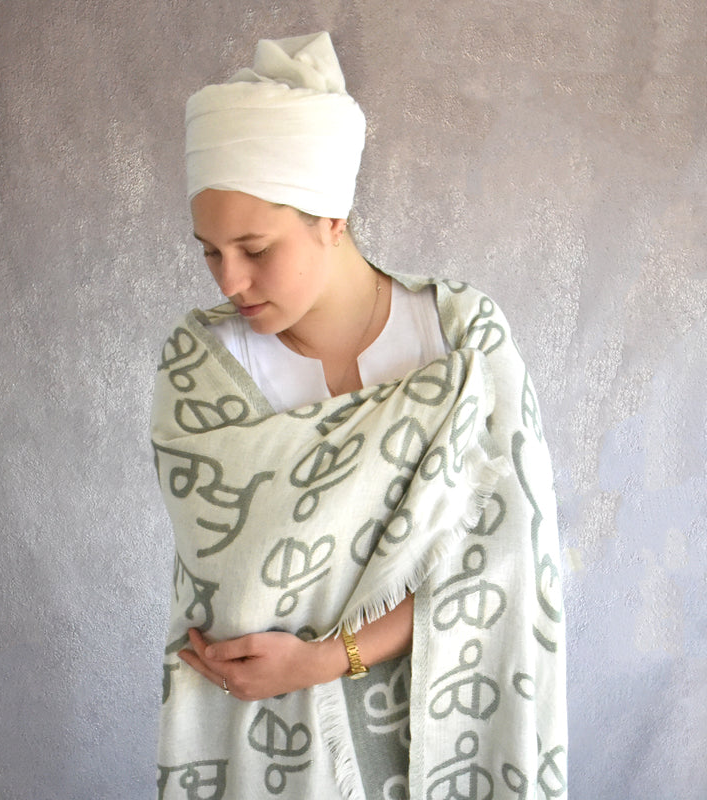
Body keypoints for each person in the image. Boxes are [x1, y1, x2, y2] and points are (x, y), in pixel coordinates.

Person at [151, 32, 567, 800]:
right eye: (210, 252)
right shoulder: (205, 365)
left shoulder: (459, 341)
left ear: (331, 217)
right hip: (268, 733)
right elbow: (231, 577)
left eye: (255, 247)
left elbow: (506, 556)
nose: (232, 279)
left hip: (439, 714)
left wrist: (324, 657)